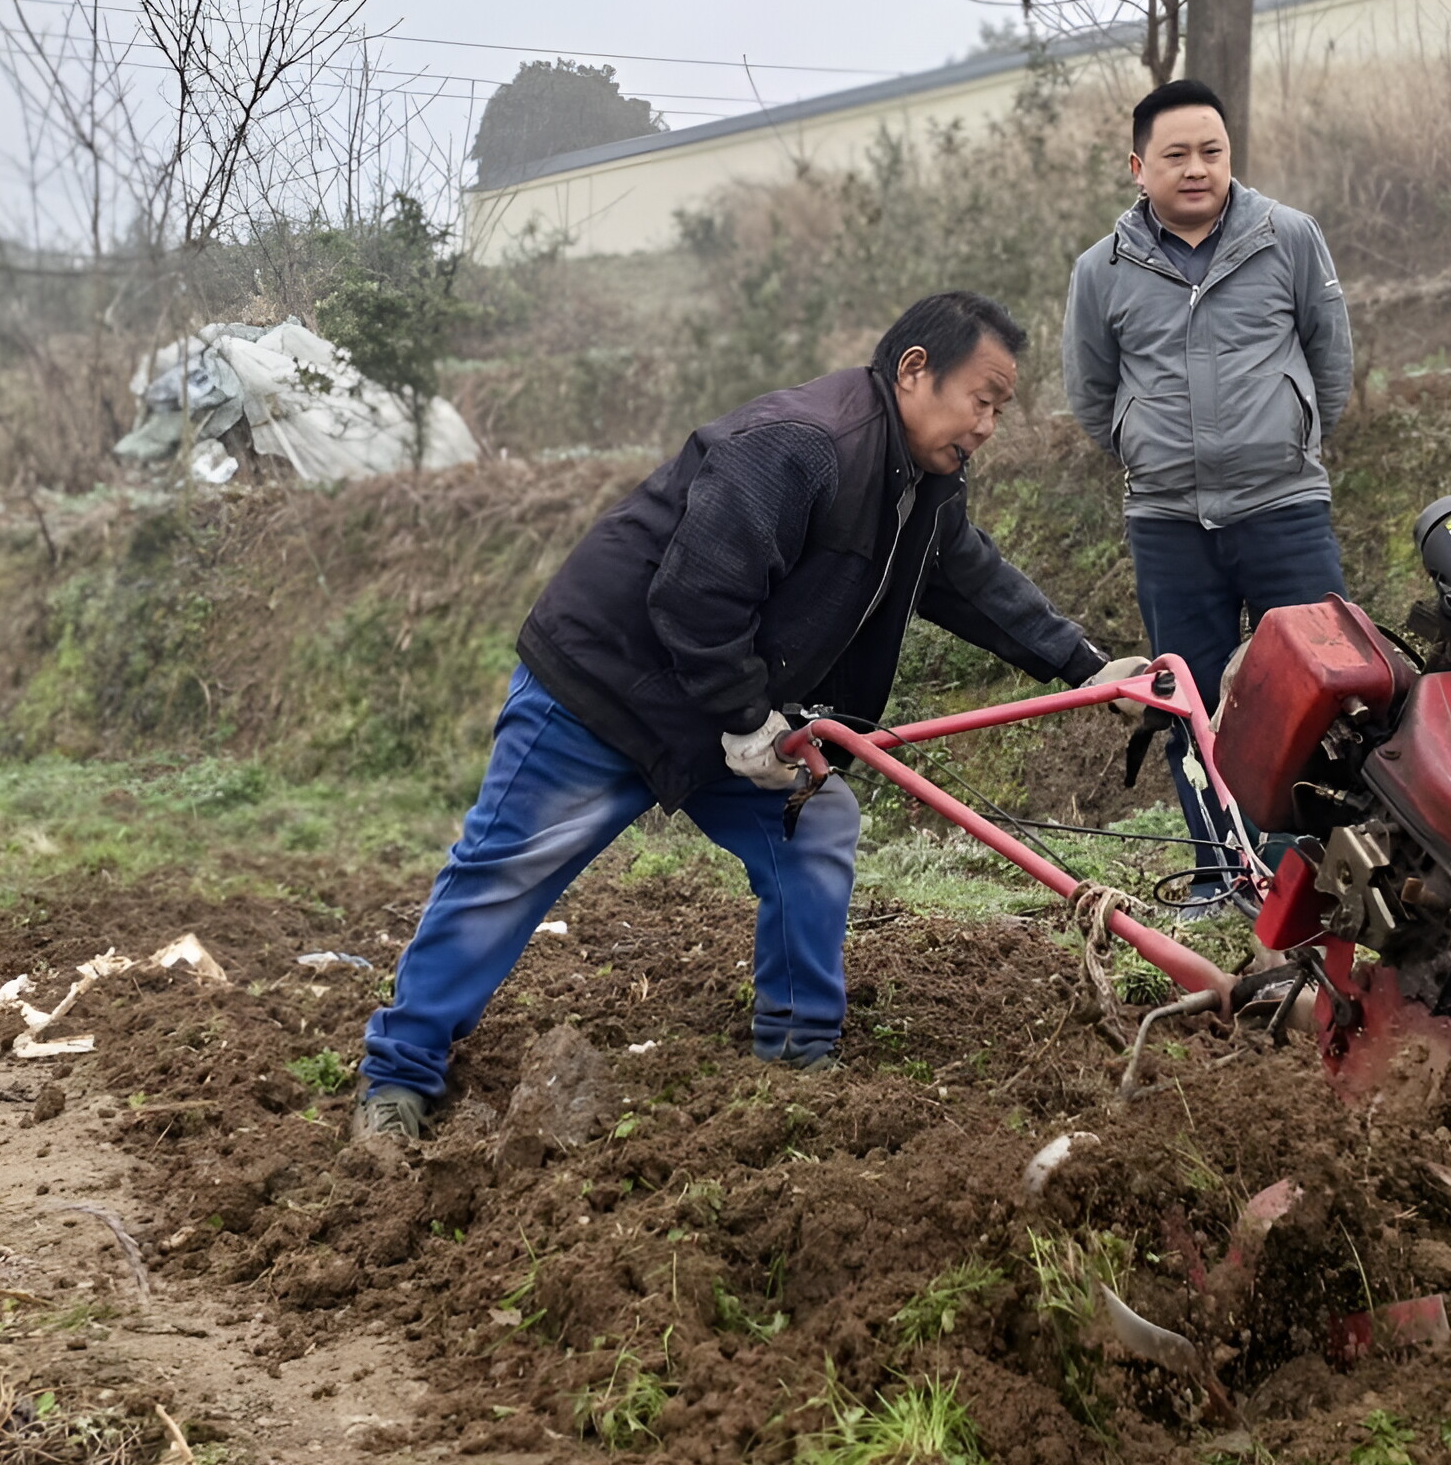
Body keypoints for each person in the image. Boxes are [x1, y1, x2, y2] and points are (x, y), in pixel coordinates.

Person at [354, 291, 1142, 1139]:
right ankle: (397, 1078)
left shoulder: (923, 481)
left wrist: (1090, 668)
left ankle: (799, 1054)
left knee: (818, 824)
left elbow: (972, 579)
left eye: (1000, 408)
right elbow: (695, 596)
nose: (988, 424)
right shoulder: (805, 444)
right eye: (981, 400)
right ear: (915, 371)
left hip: (723, 700)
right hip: (605, 686)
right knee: (505, 870)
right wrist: (748, 719)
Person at [1061, 78, 1353, 891]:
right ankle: (1222, 875)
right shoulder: (1101, 270)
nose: (1197, 169)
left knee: (1319, 692)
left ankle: (1313, 876)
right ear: (1137, 166)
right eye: (1176, 155)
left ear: (1231, 156)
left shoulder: (1288, 237)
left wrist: (1288, 438)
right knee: (1188, 701)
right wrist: (1139, 447)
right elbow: (1090, 391)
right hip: (1167, 522)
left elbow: (1330, 360)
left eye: (1212, 152)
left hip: (1285, 507)